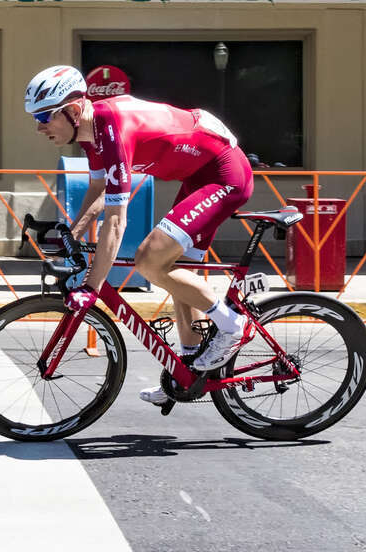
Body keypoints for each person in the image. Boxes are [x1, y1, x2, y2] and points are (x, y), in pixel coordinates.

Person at [25, 64, 255, 405]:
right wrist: (68, 236)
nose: (40, 127)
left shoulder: (112, 128)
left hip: (225, 174)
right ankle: (187, 371)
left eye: (45, 117)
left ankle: (232, 325)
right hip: (197, 176)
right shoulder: (90, 134)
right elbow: (99, 190)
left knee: (150, 260)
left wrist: (92, 286)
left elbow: (117, 220)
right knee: (178, 275)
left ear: (73, 111)